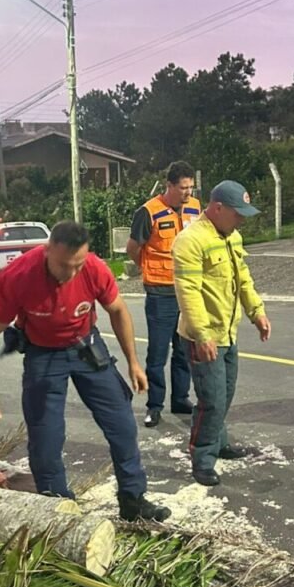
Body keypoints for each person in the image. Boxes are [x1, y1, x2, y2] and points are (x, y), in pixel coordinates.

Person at [0, 220, 171, 522]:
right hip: (43, 354)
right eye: (65, 266)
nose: (72, 273)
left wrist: (133, 362)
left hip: (85, 347)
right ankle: (58, 509)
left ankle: (133, 499)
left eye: (78, 264)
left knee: (122, 424)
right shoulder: (18, 277)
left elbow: (118, 310)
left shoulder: (93, 268)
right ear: (48, 250)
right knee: (46, 436)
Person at [173, 180, 271, 486]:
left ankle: (218, 441)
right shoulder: (190, 241)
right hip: (203, 336)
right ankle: (202, 459)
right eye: (237, 213)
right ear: (217, 208)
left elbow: (243, 280)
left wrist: (257, 312)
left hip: (228, 334)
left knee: (225, 394)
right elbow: (188, 292)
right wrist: (202, 335)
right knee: (211, 400)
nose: (241, 220)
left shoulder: (233, 237)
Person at [127, 161, 202, 428]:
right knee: (158, 353)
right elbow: (133, 248)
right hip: (160, 292)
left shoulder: (195, 207)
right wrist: (149, 267)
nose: (187, 192)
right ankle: (154, 406)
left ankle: (180, 399)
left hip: (188, 289)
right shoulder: (148, 212)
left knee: (184, 350)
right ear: (169, 185)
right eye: (183, 188)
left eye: (191, 187)